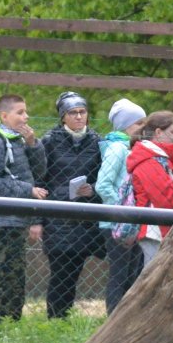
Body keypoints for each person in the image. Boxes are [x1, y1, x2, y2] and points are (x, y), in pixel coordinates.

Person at [0, 94, 49, 322]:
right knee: (4, 272)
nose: (26, 117)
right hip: (2, 219)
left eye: (25, 111)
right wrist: (27, 190)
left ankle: (13, 319)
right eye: (20, 112)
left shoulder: (18, 141)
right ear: (4, 116)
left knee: (17, 273)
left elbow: (39, 173)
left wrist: (33, 145)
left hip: (19, 218)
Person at [37, 91, 105, 320]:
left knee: (75, 270)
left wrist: (92, 189)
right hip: (57, 217)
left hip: (86, 218)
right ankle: (55, 318)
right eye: (73, 113)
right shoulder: (49, 141)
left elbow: (104, 179)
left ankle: (65, 315)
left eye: (82, 112)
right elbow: (39, 180)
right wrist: (37, 219)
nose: (78, 117)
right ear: (63, 117)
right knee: (60, 272)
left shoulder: (97, 142)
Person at [96, 98, 147, 313]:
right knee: (120, 273)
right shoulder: (117, 148)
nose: (143, 129)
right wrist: (121, 208)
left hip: (131, 221)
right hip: (116, 223)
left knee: (132, 273)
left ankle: (126, 316)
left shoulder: (132, 147)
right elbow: (103, 184)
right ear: (125, 126)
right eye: (139, 124)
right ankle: (113, 318)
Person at [124, 110, 173, 268]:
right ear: (158, 132)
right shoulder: (148, 159)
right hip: (154, 230)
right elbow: (164, 197)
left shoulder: (162, 159)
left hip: (164, 226)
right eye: (172, 131)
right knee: (152, 275)